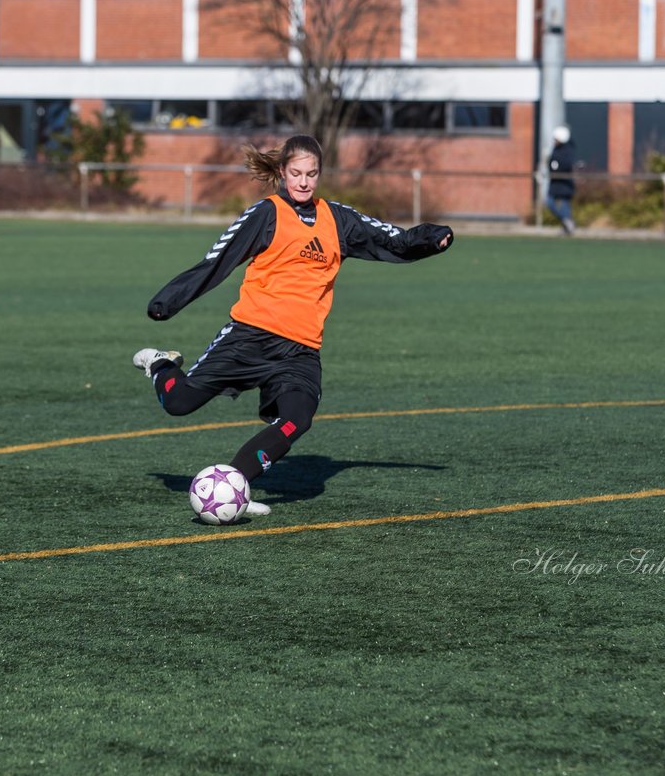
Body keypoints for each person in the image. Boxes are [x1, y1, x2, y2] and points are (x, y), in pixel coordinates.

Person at [132, 134, 454, 517]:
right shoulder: (266, 214)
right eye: (297, 173)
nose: (304, 182)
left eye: (312, 174)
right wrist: (168, 301)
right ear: (283, 172)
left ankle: (236, 486)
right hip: (250, 336)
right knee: (179, 403)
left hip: (300, 350)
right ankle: (161, 364)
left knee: (298, 419)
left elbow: (394, 239)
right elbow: (217, 261)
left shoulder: (338, 220)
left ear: (320, 174)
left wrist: (431, 237)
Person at [546, 125, 577, 235]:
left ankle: (567, 225)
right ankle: (567, 223)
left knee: (564, 205)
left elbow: (565, 165)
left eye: (556, 139)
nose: (554, 141)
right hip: (555, 182)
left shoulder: (567, 151)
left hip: (564, 183)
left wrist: (556, 168)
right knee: (550, 202)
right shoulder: (556, 149)